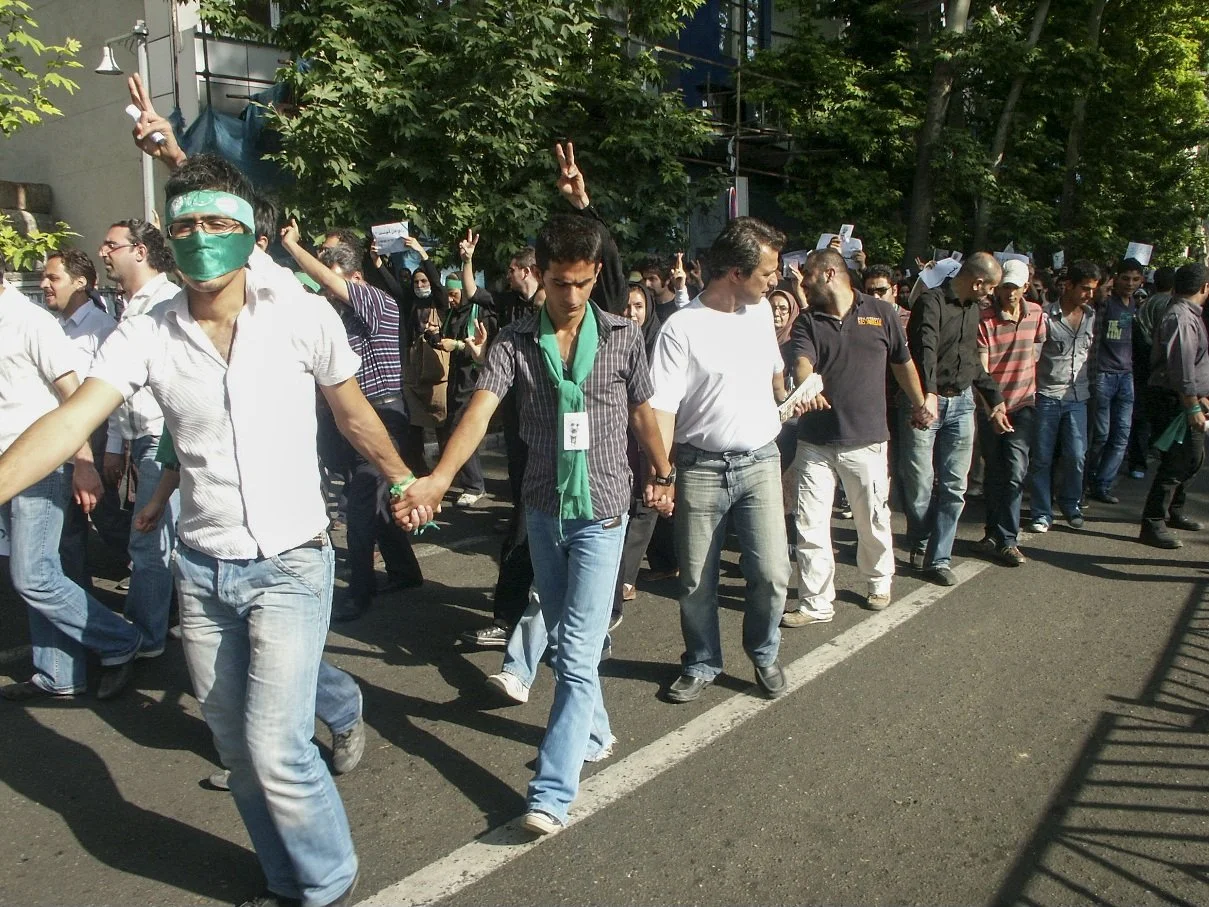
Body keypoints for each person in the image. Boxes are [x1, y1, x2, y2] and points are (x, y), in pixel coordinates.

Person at [0, 154, 433, 906]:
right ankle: (283, 879)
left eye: (217, 223)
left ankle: (328, 884)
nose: (202, 237)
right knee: (236, 747)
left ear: (245, 232)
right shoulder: (148, 334)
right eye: (187, 224)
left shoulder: (300, 314)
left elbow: (353, 413)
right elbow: (72, 417)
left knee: (275, 747)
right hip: (201, 572)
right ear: (169, 235)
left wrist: (401, 476)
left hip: (292, 565)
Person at [395, 142, 674, 836]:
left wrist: (663, 473)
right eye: (559, 283)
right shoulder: (515, 343)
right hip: (544, 509)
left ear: (595, 277)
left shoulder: (622, 338)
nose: (571, 297)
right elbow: (480, 410)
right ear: (538, 276)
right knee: (567, 639)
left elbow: (642, 413)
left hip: (604, 510)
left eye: (582, 283)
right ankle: (599, 732)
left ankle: (551, 791)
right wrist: (436, 477)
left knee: (574, 652)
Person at [648, 216, 804, 704]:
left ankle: (763, 651)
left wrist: (793, 398)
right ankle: (700, 661)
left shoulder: (760, 316)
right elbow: (662, 410)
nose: (774, 282)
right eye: (767, 273)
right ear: (735, 272)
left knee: (774, 572)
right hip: (700, 467)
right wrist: (664, 474)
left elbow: (774, 379)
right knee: (696, 578)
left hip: (760, 462)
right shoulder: (682, 328)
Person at [0, 273, 140, 703]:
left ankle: (118, 638)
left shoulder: (30, 322)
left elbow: (73, 399)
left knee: (34, 575)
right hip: (7, 469)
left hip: (43, 465)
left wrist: (83, 462)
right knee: (38, 572)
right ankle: (58, 673)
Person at [283, 221, 424, 622]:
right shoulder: (339, 318)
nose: (327, 291)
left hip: (384, 414)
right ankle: (405, 571)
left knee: (361, 506)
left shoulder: (377, 300)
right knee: (377, 504)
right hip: (353, 417)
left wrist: (294, 248)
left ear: (356, 278)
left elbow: (325, 278)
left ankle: (358, 594)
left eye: (333, 284)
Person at [783, 248, 931, 624]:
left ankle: (879, 580)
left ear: (829, 274)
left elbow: (902, 363)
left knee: (872, 519)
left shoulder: (882, 313)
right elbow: (802, 362)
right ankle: (816, 603)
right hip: (815, 442)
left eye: (809, 278)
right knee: (811, 524)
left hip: (867, 439)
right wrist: (806, 386)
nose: (803, 285)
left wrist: (919, 403)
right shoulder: (808, 322)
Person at [96, 218, 181, 656]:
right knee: (159, 540)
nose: (103, 251)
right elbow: (119, 383)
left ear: (141, 250)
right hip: (137, 437)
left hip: (161, 439)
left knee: (148, 542)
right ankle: (168, 618)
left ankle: (144, 639)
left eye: (112, 244)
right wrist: (114, 446)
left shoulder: (167, 301)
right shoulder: (129, 305)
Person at [901, 253, 1007, 585]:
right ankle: (919, 538)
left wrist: (994, 398)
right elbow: (924, 349)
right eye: (989, 288)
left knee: (954, 487)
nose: (990, 296)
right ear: (978, 282)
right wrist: (928, 395)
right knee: (919, 485)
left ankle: (939, 557)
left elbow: (971, 359)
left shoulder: (973, 309)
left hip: (961, 405)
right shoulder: (930, 302)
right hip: (925, 404)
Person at [40, 249, 123, 591]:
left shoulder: (103, 330)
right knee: (70, 527)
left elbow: (118, 392)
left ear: (80, 283)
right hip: (60, 439)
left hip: (95, 440)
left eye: (53, 278)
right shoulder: (52, 327)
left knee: (106, 519)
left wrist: (113, 448)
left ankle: (159, 581)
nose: (44, 284)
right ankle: (79, 600)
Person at [975, 259, 1046, 566]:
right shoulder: (985, 320)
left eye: (1016, 288)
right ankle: (993, 532)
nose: (1011, 294)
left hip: (1024, 404)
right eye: (1005, 287)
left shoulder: (1037, 315)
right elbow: (982, 366)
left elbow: (1038, 349)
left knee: (1015, 471)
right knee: (994, 471)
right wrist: (992, 406)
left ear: (1026, 288)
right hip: (992, 405)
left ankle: (1007, 539)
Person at [1138, 263, 1209, 549]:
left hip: (1187, 397)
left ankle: (1174, 510)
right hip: (1175, 400)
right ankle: (1153, 521)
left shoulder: (1189, 315)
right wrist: (1192, 405)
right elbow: (1181, 367)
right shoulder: (1180, 317)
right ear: (1204, 287)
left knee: (1195, 458)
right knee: (1179, 460)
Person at [1027, 260, 1099, 534]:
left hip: (1079, 396)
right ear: (1068, 285)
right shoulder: (1045, 317)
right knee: (1042, 458)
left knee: (1077, 454)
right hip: (1046, 395)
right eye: (1084, 288)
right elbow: (1032, 358)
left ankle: (1071, 504)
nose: (1089, 294)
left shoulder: (1092, 316)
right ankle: (1041, 512)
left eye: (1093, 289)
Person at [1086, 258, 1144, 503]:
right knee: (1100, 434)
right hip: (1102, 375)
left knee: (1121, 434)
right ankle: (1084, 481)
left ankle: (1103, 484)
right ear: (1115, 278)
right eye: (1125, 278)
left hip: (1126, 376)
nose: (1130, 284)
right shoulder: (1104, 303)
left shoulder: (1135, 305)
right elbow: (1096, 294)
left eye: (1135, 279)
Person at [1129, 266, 1177, 478]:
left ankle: (1138, 461)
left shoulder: (1145, 304)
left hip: (1140, 365)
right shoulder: (1171, 307)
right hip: (1158, 369)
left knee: (1140, 415)